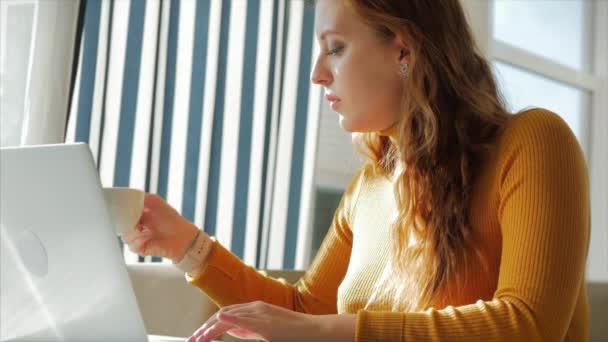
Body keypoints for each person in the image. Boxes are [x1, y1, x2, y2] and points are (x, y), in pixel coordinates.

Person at [122, 0, 590, 341]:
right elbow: (304, 312)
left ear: (404, 51)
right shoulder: (370, 185)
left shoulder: (533, 143)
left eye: (336, 48)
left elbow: (528, 324)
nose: (317, 74)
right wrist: (186, 245)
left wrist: (330, 332)